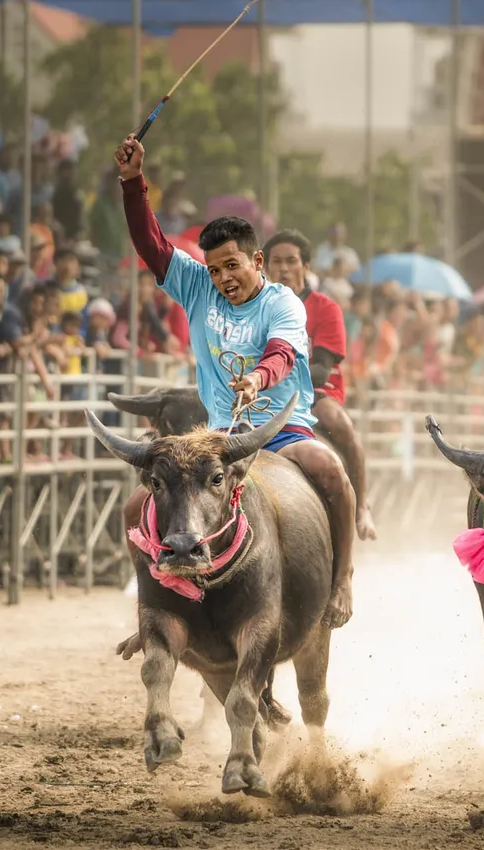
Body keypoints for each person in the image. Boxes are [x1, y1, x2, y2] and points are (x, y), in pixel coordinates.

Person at [115, 133, 354, 629]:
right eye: (215, 268)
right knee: (141, 501)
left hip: (281, 433)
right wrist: (133, 182)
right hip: (218, 438)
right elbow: (152, 246)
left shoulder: (283, 302)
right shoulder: (198, 285)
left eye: (232, 266)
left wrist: (259, 380)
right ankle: (154, 609)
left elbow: (284, 352)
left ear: (256, 262)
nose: (223, 277)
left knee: (331, 470)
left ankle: (343, 578)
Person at [262, 229, 377, 540]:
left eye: (291, 261)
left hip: (313, 393)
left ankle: (361, 506)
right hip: (264, 393)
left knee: (337, 422)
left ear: (306, 266)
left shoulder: (325, 308)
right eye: (276, 262)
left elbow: (322, 369)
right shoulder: (255, 307)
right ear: (264, 266)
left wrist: (269, 375)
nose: (283, 268)